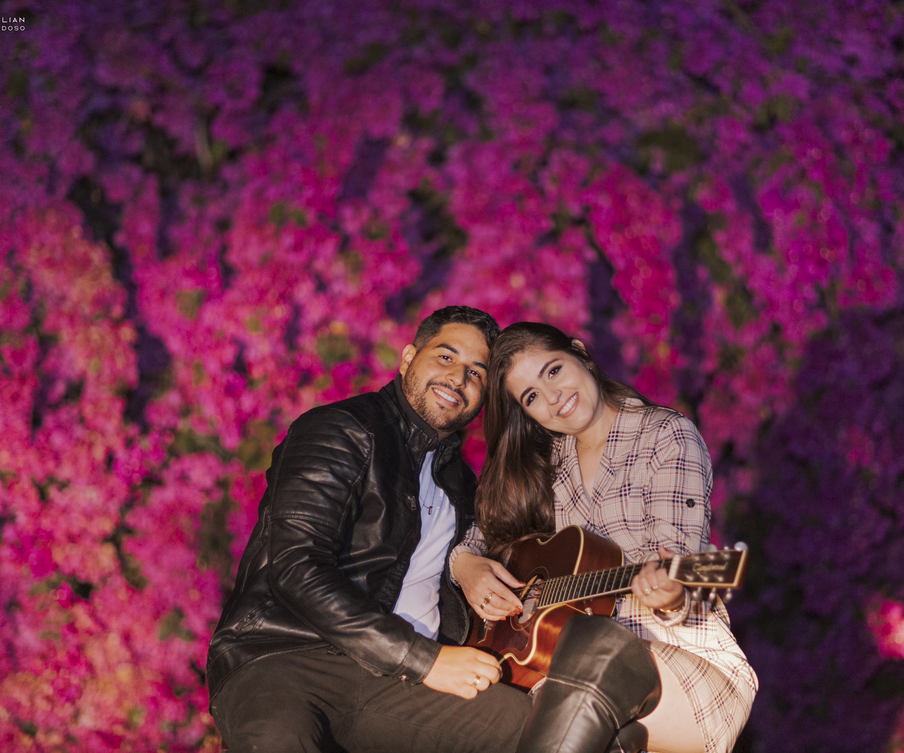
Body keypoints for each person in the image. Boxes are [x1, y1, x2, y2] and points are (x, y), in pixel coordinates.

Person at [206, 306, 532, 753]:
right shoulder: (341, 428)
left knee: (531, 724)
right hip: (287, 655)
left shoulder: (461, 482)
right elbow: (296, 567)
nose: (459, 378)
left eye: (477, 372)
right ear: (408, 358)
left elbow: (472, 557)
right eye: (446, 357)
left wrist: (467, 564)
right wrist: (424, 659)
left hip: (397, 686)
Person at [452, 322, 758, 753]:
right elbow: (481, 532)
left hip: (682, 662)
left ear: (580, 352)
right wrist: (465, 565)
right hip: (564, 676)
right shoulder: (544, 465)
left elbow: (680, 566)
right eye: (532, 397)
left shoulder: (665, 436)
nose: (552, 398)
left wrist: (670, 596)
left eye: (553, 371)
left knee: (593, 642)